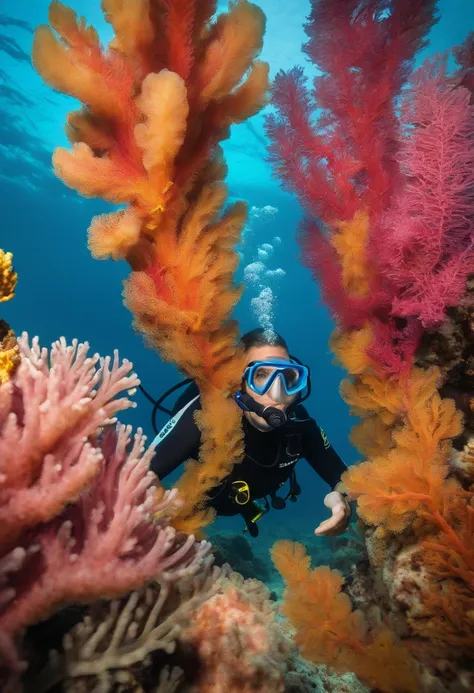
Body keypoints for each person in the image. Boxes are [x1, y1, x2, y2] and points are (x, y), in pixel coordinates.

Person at [149, 328, 351, 537]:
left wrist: (341, 499)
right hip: (202, 502)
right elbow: (141, 473)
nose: (277, 392)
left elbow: (344, 477)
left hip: (248, 498)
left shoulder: (300, 426)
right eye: (261, 375)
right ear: (239, 383)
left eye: (288, 377)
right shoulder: (205, 417)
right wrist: (161, 504)